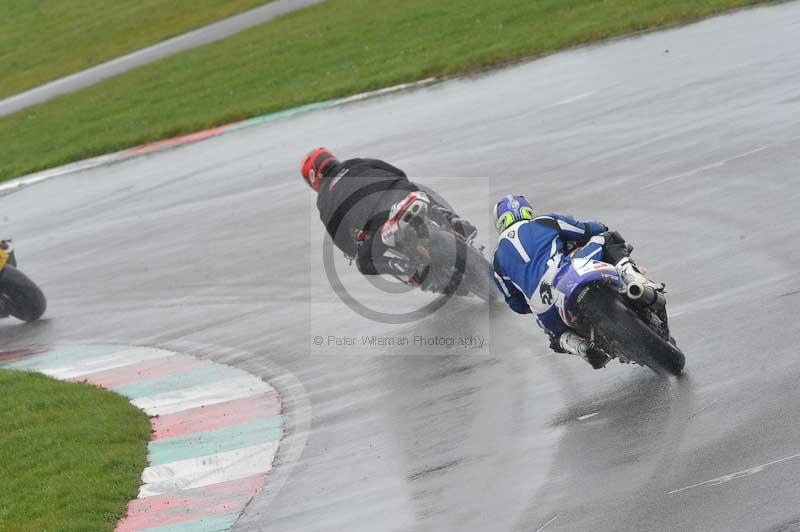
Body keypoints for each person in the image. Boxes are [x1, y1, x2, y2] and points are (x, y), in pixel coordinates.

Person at [491, 194, 655, 369]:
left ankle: (579, 347)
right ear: (527, 211)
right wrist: (600, 226)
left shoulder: (497, 261)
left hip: (545, 310)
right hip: (565, 276)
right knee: (609, 238)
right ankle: (635, 282)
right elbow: (585, 230)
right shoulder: (545, 221)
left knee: (555, 338)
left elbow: (515, 303)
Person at [301, 147, 477, 287]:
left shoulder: (324, 199)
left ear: (312, 177)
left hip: (379, 219)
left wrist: (356, 245)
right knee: (416, 192)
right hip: (402, 192)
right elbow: (398, 172)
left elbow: (343, 241)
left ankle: (407, 267)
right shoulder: (356, 162)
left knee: (363, 262)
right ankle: (451, 219)